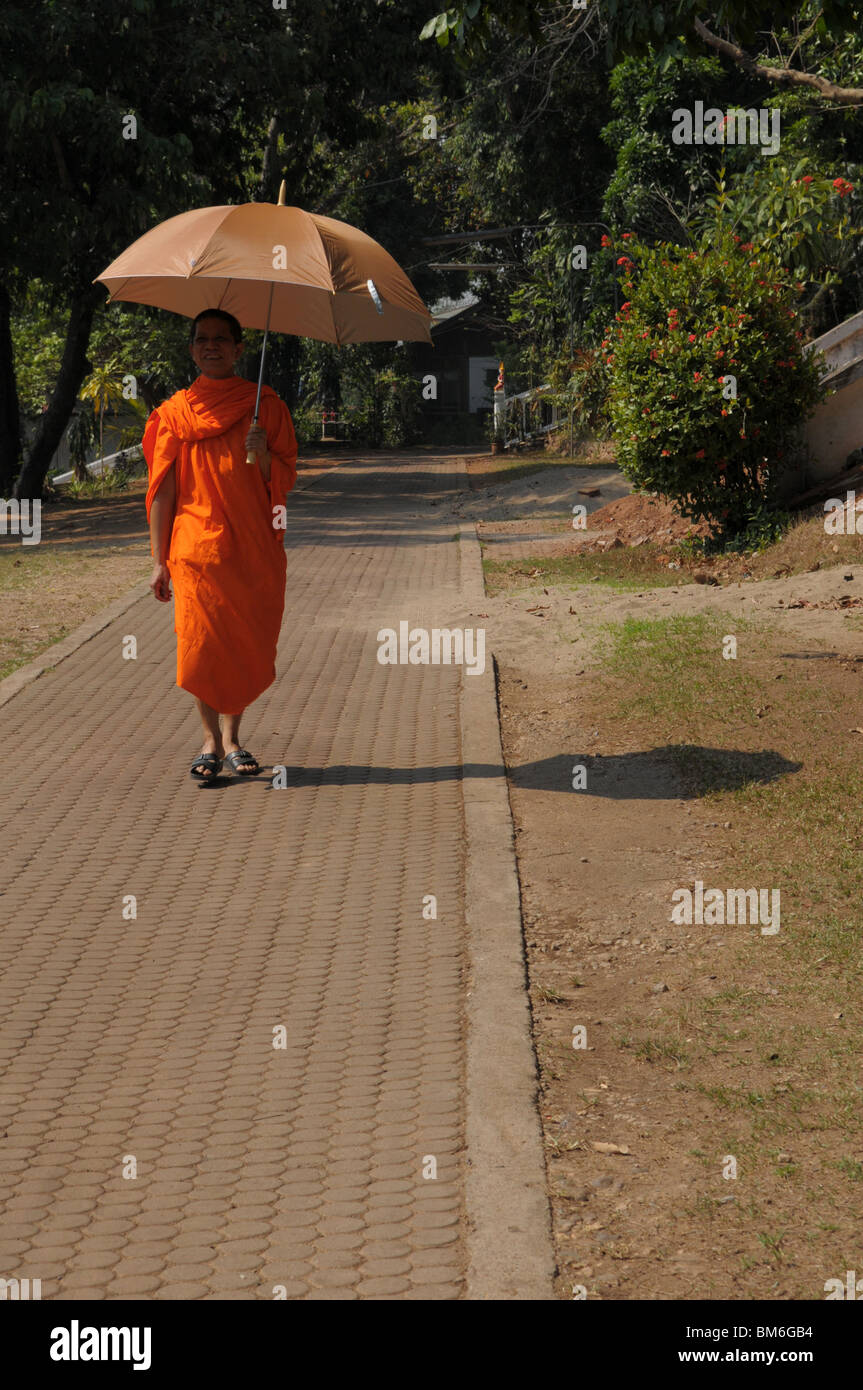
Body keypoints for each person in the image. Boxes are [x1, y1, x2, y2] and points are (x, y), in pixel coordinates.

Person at [143, 309, 297, 779]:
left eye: (221, 339)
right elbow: (162, 491)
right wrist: (158, 560)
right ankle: (209, 739)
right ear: (191, 349)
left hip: (249, 548)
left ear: (238, 349)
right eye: (202, 339)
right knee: (201, 645)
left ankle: (233, 738)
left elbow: (285, 478)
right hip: (194, 550)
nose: (211, 346)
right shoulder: (174, 415)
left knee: (242, 642)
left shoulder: (265, 407)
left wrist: (264, 453)